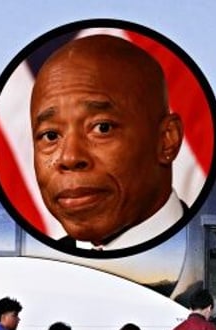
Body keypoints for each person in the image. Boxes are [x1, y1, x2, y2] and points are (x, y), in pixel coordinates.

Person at [30, 34, 187, 251]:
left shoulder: (206, 245)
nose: (69, 157)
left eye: (102, 128)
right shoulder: (41, 268)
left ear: (167, 139)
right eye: (50, 136)